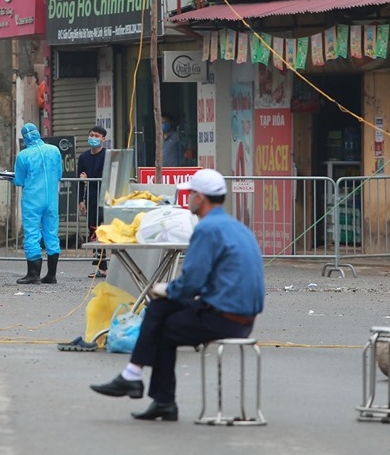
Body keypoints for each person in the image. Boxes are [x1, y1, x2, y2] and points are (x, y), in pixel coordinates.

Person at [90, 168, 265, 422]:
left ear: (201, 198)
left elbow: (191, 282)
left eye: (191, 193)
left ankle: (144, 385)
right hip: (241, 315)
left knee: (160, 322)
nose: (188, 198)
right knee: (159, 311)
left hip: (226, 318)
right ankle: (144, 387)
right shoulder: (235, 226)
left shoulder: (207, 229)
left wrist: (166, 289)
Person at [12, 123, 62, 285]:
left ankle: (33, 274)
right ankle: (51, 274)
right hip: (52, 199)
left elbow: (19, 180)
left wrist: (11, 178)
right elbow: (59, 173)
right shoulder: (54, 150)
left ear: (25, 137)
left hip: (33, 199)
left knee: (32, 233)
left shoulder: (23, 155)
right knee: (51, 234)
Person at [78, 126, 107, 278]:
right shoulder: (83, 157)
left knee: (108, 232)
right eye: (91, 135)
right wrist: (80, 200)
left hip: (107, 198)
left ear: (103, 139)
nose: (93, 138)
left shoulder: (108, 155)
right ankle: (101, 267)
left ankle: (113, 265)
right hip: (92, 198)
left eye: (97, 135)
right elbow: (80, 180)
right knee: (94, 232)